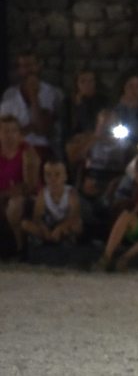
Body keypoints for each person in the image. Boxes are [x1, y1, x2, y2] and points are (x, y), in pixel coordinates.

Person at [0, 48, 62, 153]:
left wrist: (34, 96)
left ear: (38, 66)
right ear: (19, 69)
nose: (28, 70)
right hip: (15, 149)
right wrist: (33, 126)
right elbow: (5, 130)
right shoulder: (9, 95)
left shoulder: (52, 93)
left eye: (31, 65)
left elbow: (41, 130)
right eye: (24, 66)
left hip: (42, 148)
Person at [0, 114, 41, 256]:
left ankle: (20, 248)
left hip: (25, 197)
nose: (10, 135)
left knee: (14, 206)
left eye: (14, 131)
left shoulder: (27, 152)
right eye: (5, 131)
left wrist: (4, 195)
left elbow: (30, 185)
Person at [20, 160, 82, 246]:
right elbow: (37, 216)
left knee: (77, 225)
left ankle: (66, 240)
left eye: (57, 175)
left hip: (64, 225)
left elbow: (75, 216)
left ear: (64, 177)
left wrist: (60, 228)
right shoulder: (43, 193)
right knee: (25, 224)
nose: (52, 179)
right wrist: (44, 228)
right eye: (48, 175)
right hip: (49, 224)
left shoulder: (70, 193)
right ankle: (46, 239)